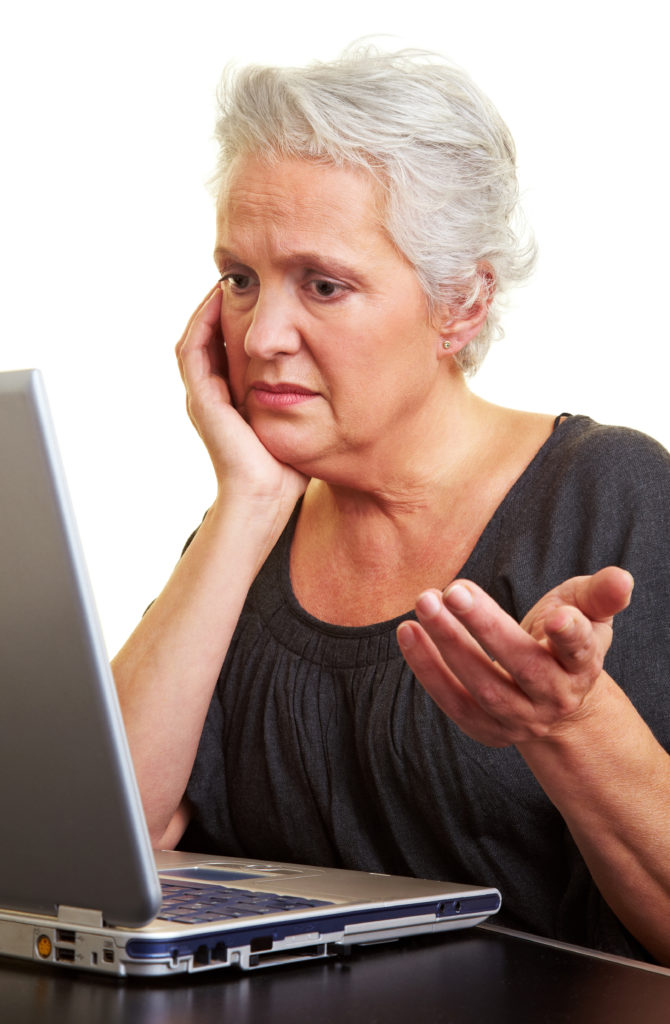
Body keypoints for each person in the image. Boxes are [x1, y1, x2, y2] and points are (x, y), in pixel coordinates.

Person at [112, 47, 670, 964]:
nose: (261, 334)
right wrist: (245, 502)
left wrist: (569, 725)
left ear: (460, 302)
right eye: (241, 278)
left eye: (322, 284)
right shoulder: (247, 532)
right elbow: (107, 843)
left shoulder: (606, 494)